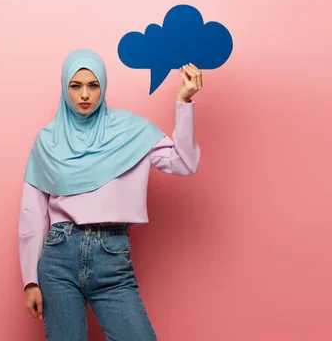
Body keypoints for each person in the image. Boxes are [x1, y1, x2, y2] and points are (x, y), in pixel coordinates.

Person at [18, 49, 203, 340]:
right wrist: (30, 279)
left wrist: (184, 102)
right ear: (65, 88)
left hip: (112, 258)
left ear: (103, 87)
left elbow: (185, 162)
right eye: (75, 86)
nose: (84, 95)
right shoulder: (48, 140)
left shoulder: (130, 130)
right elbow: (33, 213)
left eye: (93, 85)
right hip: (58, 259)